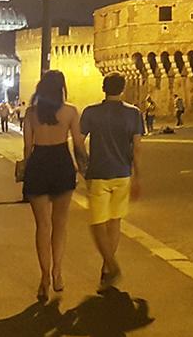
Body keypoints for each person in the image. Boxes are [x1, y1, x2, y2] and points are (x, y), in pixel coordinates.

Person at [21, 70, 85, 301]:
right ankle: (58, 272)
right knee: (60, 224)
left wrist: (25, 168)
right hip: (61, 165)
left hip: (38, 165)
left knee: (42, 226)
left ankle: (44, 277)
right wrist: (84, 166)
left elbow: (27, 147)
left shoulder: (31, 113)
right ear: (61, 88)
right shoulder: (70, 112)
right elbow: (78, 144)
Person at [79, 73, 144, 290]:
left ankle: (111, 264)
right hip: (122, 173)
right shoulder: (134, 114)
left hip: (98, 173)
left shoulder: (91, 112)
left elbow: (78, 142)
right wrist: (138, 176)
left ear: (103, 88)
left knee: (98, 224)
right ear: (123, 88)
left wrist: (83, 165)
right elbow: (137, 148)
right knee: (114, 222)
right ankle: (107, 267)